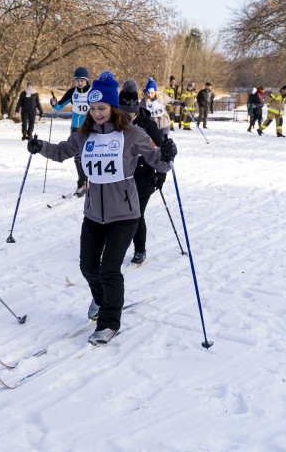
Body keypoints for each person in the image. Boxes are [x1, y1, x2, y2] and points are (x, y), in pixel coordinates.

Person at [28, 72, 176, 345]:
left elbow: (161, 163)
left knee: (109, 269)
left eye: (102, 108)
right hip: (94, 213)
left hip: (125, 214)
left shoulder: (132, 134)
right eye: (93, 108)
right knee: (87, 267)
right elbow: (62, 152)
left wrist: (168, 153)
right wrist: (40, 147)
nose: (97, 113)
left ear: (112, 108)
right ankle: (101, 300)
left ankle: (109, 322)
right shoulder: (85, 135)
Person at [118, 80, 166, 265]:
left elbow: (162, 152)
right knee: (121, 213)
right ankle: (117, 246)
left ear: (136, 107)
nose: (126, 115)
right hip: (121, 177)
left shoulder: (148, 124)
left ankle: (140, 249)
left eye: (130, 111)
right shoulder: (113, 124)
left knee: (136, 214)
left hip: (143, 176)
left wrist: (161, 175)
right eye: (122, 111)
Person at [50, 67, 92, 196]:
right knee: (77, 155)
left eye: (82, 81)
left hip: (89, 127)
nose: (79, 83)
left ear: (86, 80)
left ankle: (93, 181)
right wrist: (54, 103)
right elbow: (58, 107)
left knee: (89, 155)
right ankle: (82, 183)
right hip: (75, 128)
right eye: (77, 81)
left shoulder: (92, 92)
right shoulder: (72, 92)